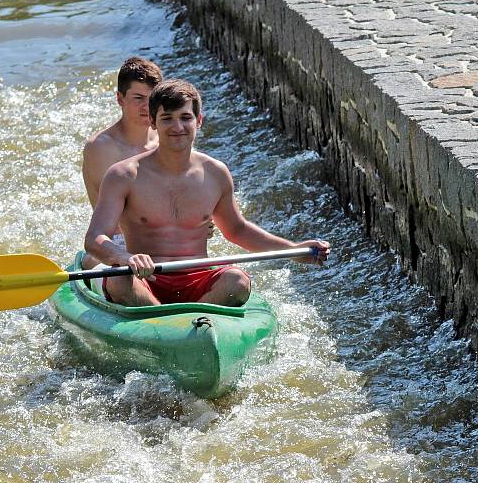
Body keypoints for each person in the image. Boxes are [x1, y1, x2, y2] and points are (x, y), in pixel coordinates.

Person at [84, 79, 330, 307]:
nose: (177, 126)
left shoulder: (216, 173)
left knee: (237, 281)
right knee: (117, 279)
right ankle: (165, 321)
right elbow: (95, 238)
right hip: (145, 279)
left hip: (197, 279)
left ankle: (195, 320)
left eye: (185, 117)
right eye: (167, 118)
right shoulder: (123, 175)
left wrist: (293, 249)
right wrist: (125, 258)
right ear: (152, 122)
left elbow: (237, 230)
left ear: (198, 120)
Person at [80, 56, 163, 269]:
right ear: (120, 99)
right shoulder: (100, 148)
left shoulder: (167, 137)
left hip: (162, 238)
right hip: (116, 243)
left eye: (152, 98)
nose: (147, 106)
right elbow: (113, 223)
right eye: (138, 98)